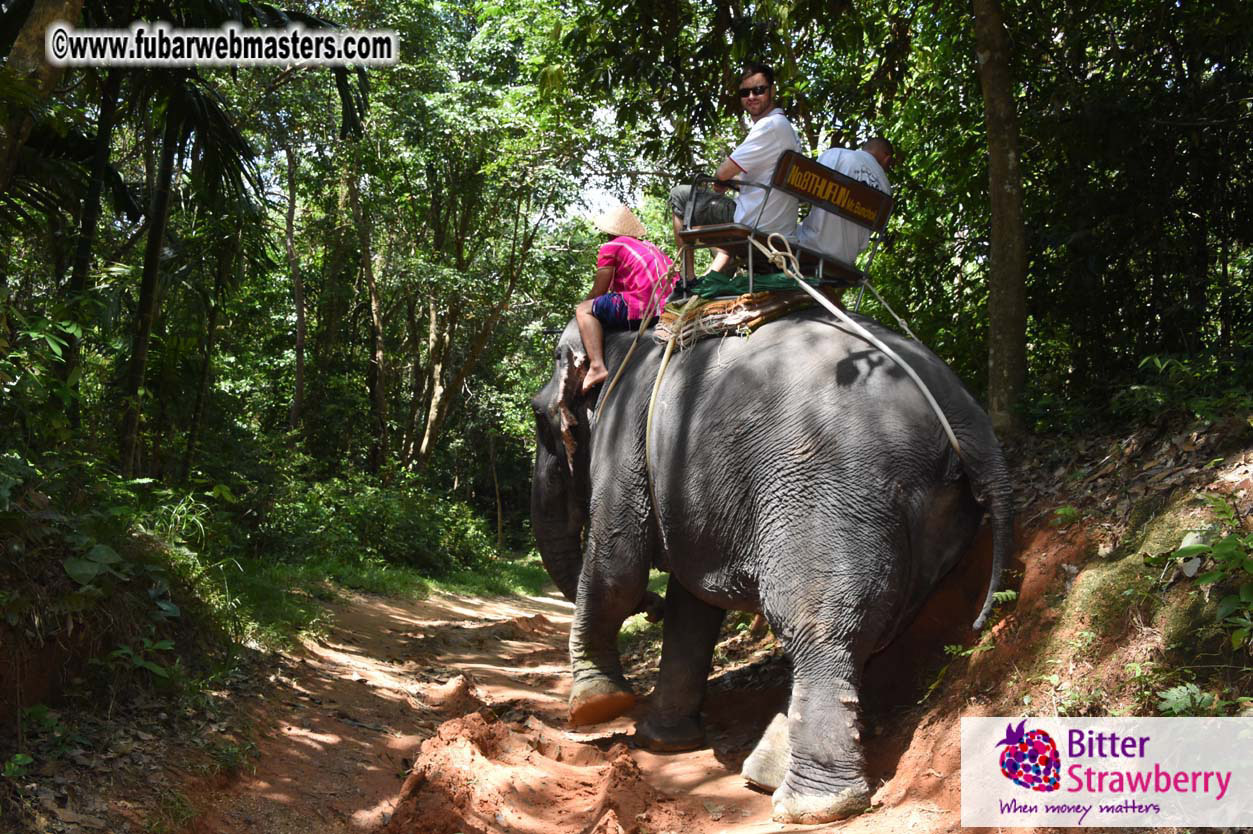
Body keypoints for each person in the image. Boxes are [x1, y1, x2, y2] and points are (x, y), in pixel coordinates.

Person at [669, 62, 802, 276]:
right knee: (723, 209)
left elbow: (723, 172)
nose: (751, 96)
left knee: (680, 195)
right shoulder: (788, 130)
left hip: (757, 224)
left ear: (772, 90)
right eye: (745, 92)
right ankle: (716, 275)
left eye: (758, 90)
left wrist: (722, 181)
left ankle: (687, 278)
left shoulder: (770, 126)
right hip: (780, 227)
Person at [576, 204, 675, 393]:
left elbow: (599, 291)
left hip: (642, 307)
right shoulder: (650, 246)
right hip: (669, 306)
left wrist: (587, 304)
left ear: (608, 231)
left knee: (583, 309)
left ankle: (597, 366)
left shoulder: (611, 246)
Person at [795, 137, 895, 264]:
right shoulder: (886, 190)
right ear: (887, 158)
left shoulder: (836, 155)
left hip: (808, 245)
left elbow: (801, 194)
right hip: (845, 261)